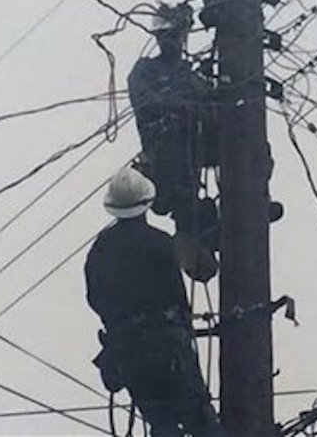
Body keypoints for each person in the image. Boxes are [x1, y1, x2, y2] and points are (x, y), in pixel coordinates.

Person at [85, 166, 225, 437]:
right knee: (202, 422)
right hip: (168, 344)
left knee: (162, 425)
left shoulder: (99, 251)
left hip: (128, 351)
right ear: (147, 203)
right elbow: (175, 293)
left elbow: (94, 299)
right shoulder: (159, 243)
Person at [127, 3, 220, 280]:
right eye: (166, 36)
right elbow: (153, 103)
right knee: (183, 200)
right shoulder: (145, 71)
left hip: (197, 146)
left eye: (176, 35)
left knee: (249, 147)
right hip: (167, 152)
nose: (172, 41)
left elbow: (213, 102)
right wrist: (186, 105)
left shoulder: (191, 75)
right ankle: (192, 246)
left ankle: (246, 205)